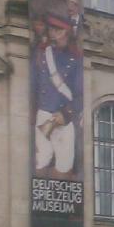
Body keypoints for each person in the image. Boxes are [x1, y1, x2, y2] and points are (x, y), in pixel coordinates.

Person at [32, 10, 83, 177]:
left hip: (63, 117)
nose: (54, 34)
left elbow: (79, 95)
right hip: (43, 113)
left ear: (66, 32)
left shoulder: (75, 59)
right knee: (40, 160)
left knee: (64, 164)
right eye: (52, 30)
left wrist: (66, 114)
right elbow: (34, 85)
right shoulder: (42, 54)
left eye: (58, 31)